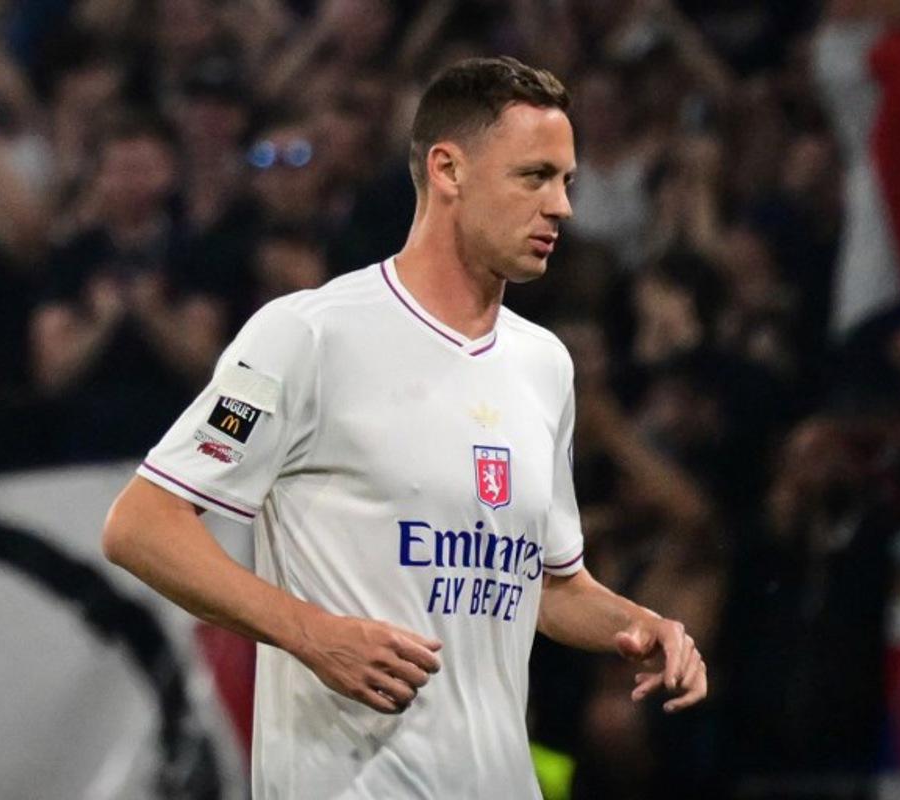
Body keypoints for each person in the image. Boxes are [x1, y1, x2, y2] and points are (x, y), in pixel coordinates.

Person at [102, 56, 707, 798]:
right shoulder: (310, 335)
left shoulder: (543, 365)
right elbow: (141, 524)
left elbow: (543, 584)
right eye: (534, 177)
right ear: (448, 169)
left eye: (567, 182)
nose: (562, 208)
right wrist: (310, 633)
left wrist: (640, 623)